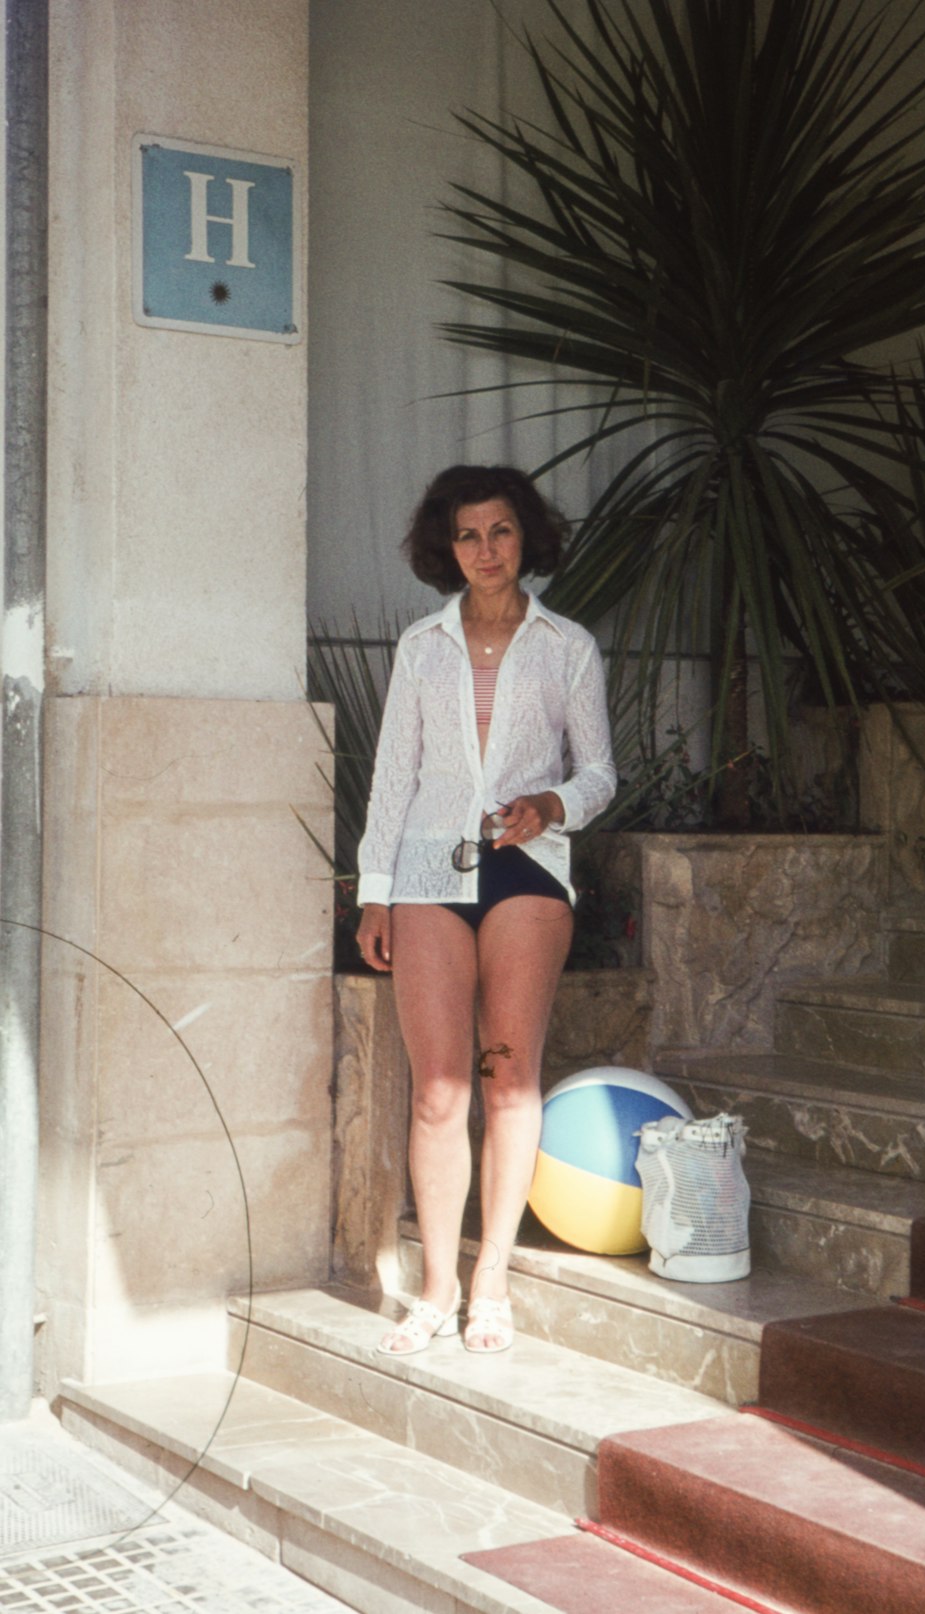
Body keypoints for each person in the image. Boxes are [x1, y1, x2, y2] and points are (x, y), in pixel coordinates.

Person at [356, 464, 615, 1354]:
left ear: (525, 538)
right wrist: (375, 891)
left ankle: (490, 1283)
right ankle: (434, 1289)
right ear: (447, 546)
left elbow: (601, 773)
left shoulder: (567, 646)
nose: (485, 551)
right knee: (437, 1090)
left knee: (508, 1078)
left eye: (500, 532)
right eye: (467, 535)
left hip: (527, 876)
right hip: (430, 869)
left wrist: (553, 805)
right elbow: (393, 778)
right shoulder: (420, 646)